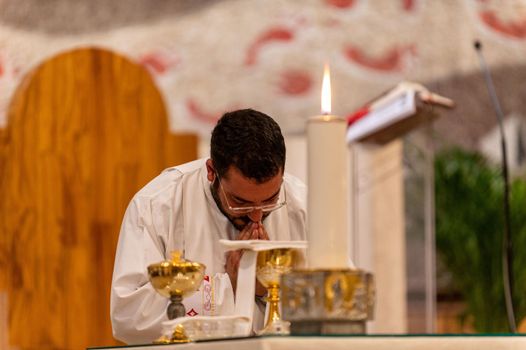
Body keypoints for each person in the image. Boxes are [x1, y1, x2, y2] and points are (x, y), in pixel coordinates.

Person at [110, 109, 307, 344]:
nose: (256, 216)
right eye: (240, 202)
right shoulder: (157, 205)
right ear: (212, 171)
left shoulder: (302, 204)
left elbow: (333, 308)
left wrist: (267, 290)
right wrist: (231, 287)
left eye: (270, 200)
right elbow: (129, 316)